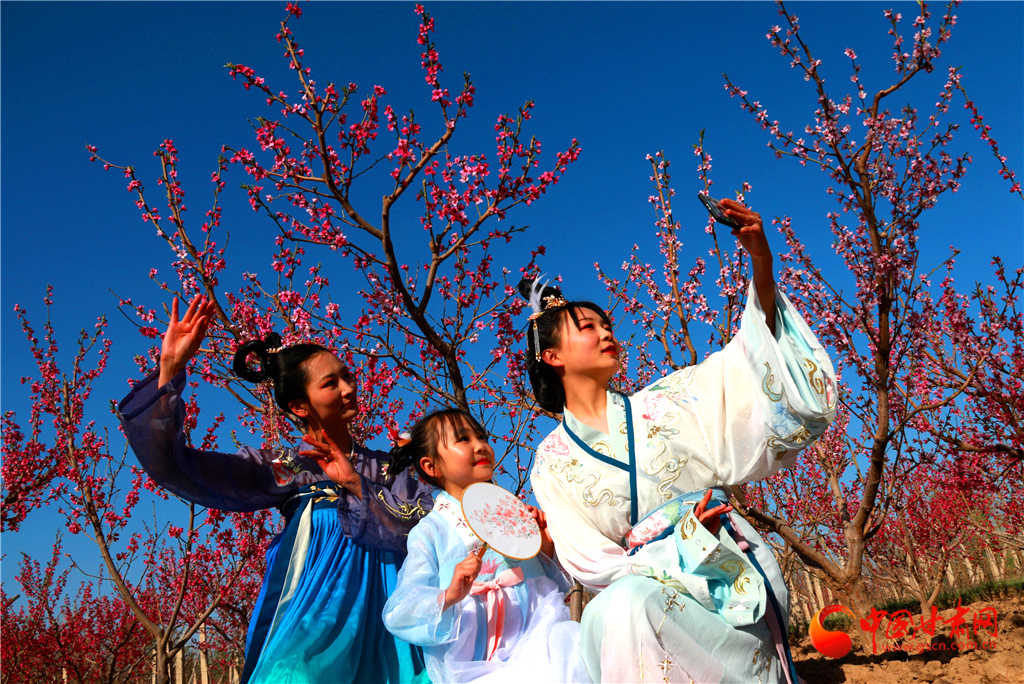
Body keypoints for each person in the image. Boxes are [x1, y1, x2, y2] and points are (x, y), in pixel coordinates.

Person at [524, 198, 837, 683]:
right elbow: (588, 559)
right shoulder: (550, 461)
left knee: (627, 606)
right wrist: (678, 547)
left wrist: (761, 260)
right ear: (551, 357)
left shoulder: (669, 400)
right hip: (643, 583)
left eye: (607, 325)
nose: (607, 333)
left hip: (722, 572)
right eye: (588, 328)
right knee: (612, 610)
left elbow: (751, 358)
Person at [117, 295, 433, 684]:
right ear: (300, 406)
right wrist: (170, 368)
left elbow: (424, 526)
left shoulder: (387, 467)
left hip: (386, 609)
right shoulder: (287, 468)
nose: (349, 388)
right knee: (294, 674)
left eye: (347, 376)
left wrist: (356, 485)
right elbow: (178, 465)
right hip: (314, 606)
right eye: (331, 383)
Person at [382, 409, 588, 683]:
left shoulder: (513, 513)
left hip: (540, 639)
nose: (480, 446)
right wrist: (449, 595)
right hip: (473, 662)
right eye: (463, 439)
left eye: (482, 437)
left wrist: (545, 546)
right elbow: (399, 611)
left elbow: (552, 584)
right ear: (431, 466)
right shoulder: (430, 532)